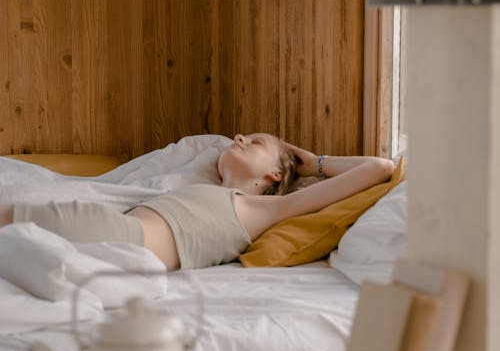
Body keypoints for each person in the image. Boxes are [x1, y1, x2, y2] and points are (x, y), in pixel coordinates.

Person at [0, 133, 394, 270]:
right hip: (107, 227)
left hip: (120, 240)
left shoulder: (267, 210)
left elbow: (379, 167)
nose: (239, 139)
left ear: (274, 175)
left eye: (255, 143)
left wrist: (310, 164)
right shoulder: (202, 187)